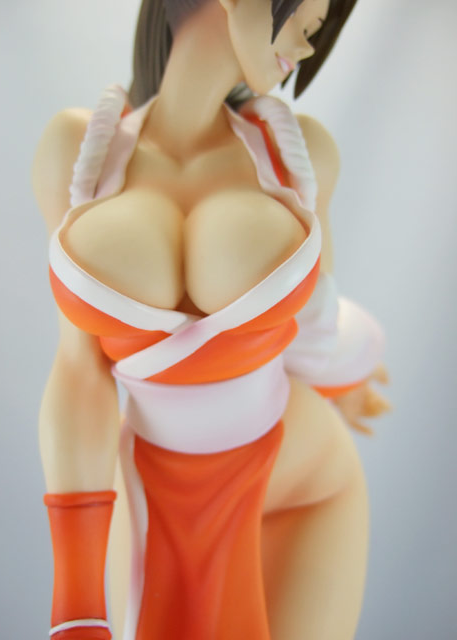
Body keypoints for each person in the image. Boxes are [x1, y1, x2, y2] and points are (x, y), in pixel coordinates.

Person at [33, 1, 389, 638]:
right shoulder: (81, 150)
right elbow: (78, 372)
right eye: (303, 25)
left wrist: (355, 368)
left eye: (315, 34)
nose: (305, 50)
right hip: (156, 495)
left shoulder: (298, 153)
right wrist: (75, 606)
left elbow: (316, 328)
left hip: (305, 481)